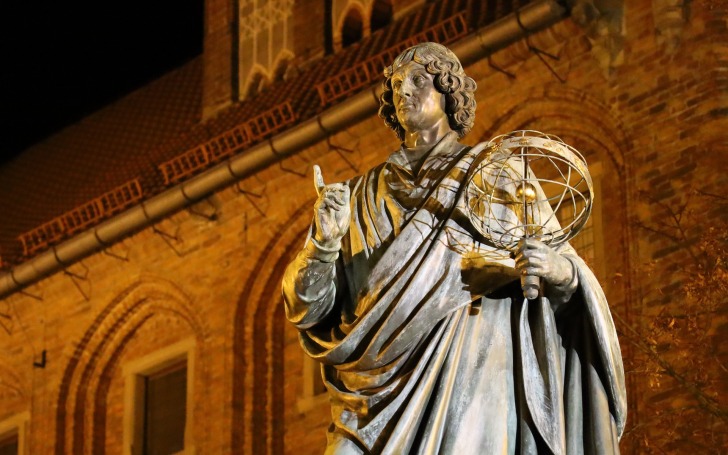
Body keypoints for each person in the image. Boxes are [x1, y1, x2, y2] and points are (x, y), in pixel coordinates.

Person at [282, 42, 626, 454]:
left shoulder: (498, 175)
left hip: (473, 377)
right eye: (395, 84)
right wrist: (323, 244)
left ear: (448, 91)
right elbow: (307, 309)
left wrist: (557, 270)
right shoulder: (354, 199)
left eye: (418, 80)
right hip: (366, 401)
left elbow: (569, 272)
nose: (403, 91)